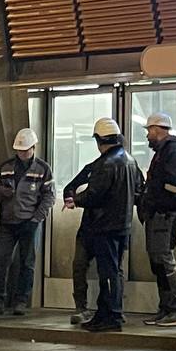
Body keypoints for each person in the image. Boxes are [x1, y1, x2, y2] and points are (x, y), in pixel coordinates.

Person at [71, 117, 143, 334]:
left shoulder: (106, 164)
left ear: (99, 140)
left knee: (108, 273)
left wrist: (76, 200)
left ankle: (110, 315)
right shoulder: (130, 161)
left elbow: (95, 195)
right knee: (114, 270)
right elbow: (139, 190)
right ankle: (108, 313)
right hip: (122, 225)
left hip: (104, 225)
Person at [0, 127, 55, 316]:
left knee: (26, 263)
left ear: (33, 148)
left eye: (25, 150)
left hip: (29, 223)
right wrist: (2, 192)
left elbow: (49, 197)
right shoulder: (6, 167)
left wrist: (36, 219)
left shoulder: (42, 169)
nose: (22, 153)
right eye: (19, 150)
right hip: (7, 223)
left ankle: (21, 301)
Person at [139, 112, 176, 327]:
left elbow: (174, 185)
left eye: (149, 130)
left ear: (157, 129)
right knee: (159, 263)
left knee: (164, 260)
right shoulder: (165, 151)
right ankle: (167, 307)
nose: (147, 135)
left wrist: (153, 196)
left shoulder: (174, 151)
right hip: (160, 213)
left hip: (165, 214)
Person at [61, 159, 97, 325]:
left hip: (111, 227)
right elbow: (71, 186)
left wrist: (78, 200)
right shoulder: (93, 168)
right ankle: (81, 307)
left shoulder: (124, 166)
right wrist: (70, 197)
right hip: (89, 226)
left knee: (111, 270)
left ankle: (112, 308)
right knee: (79, 265)